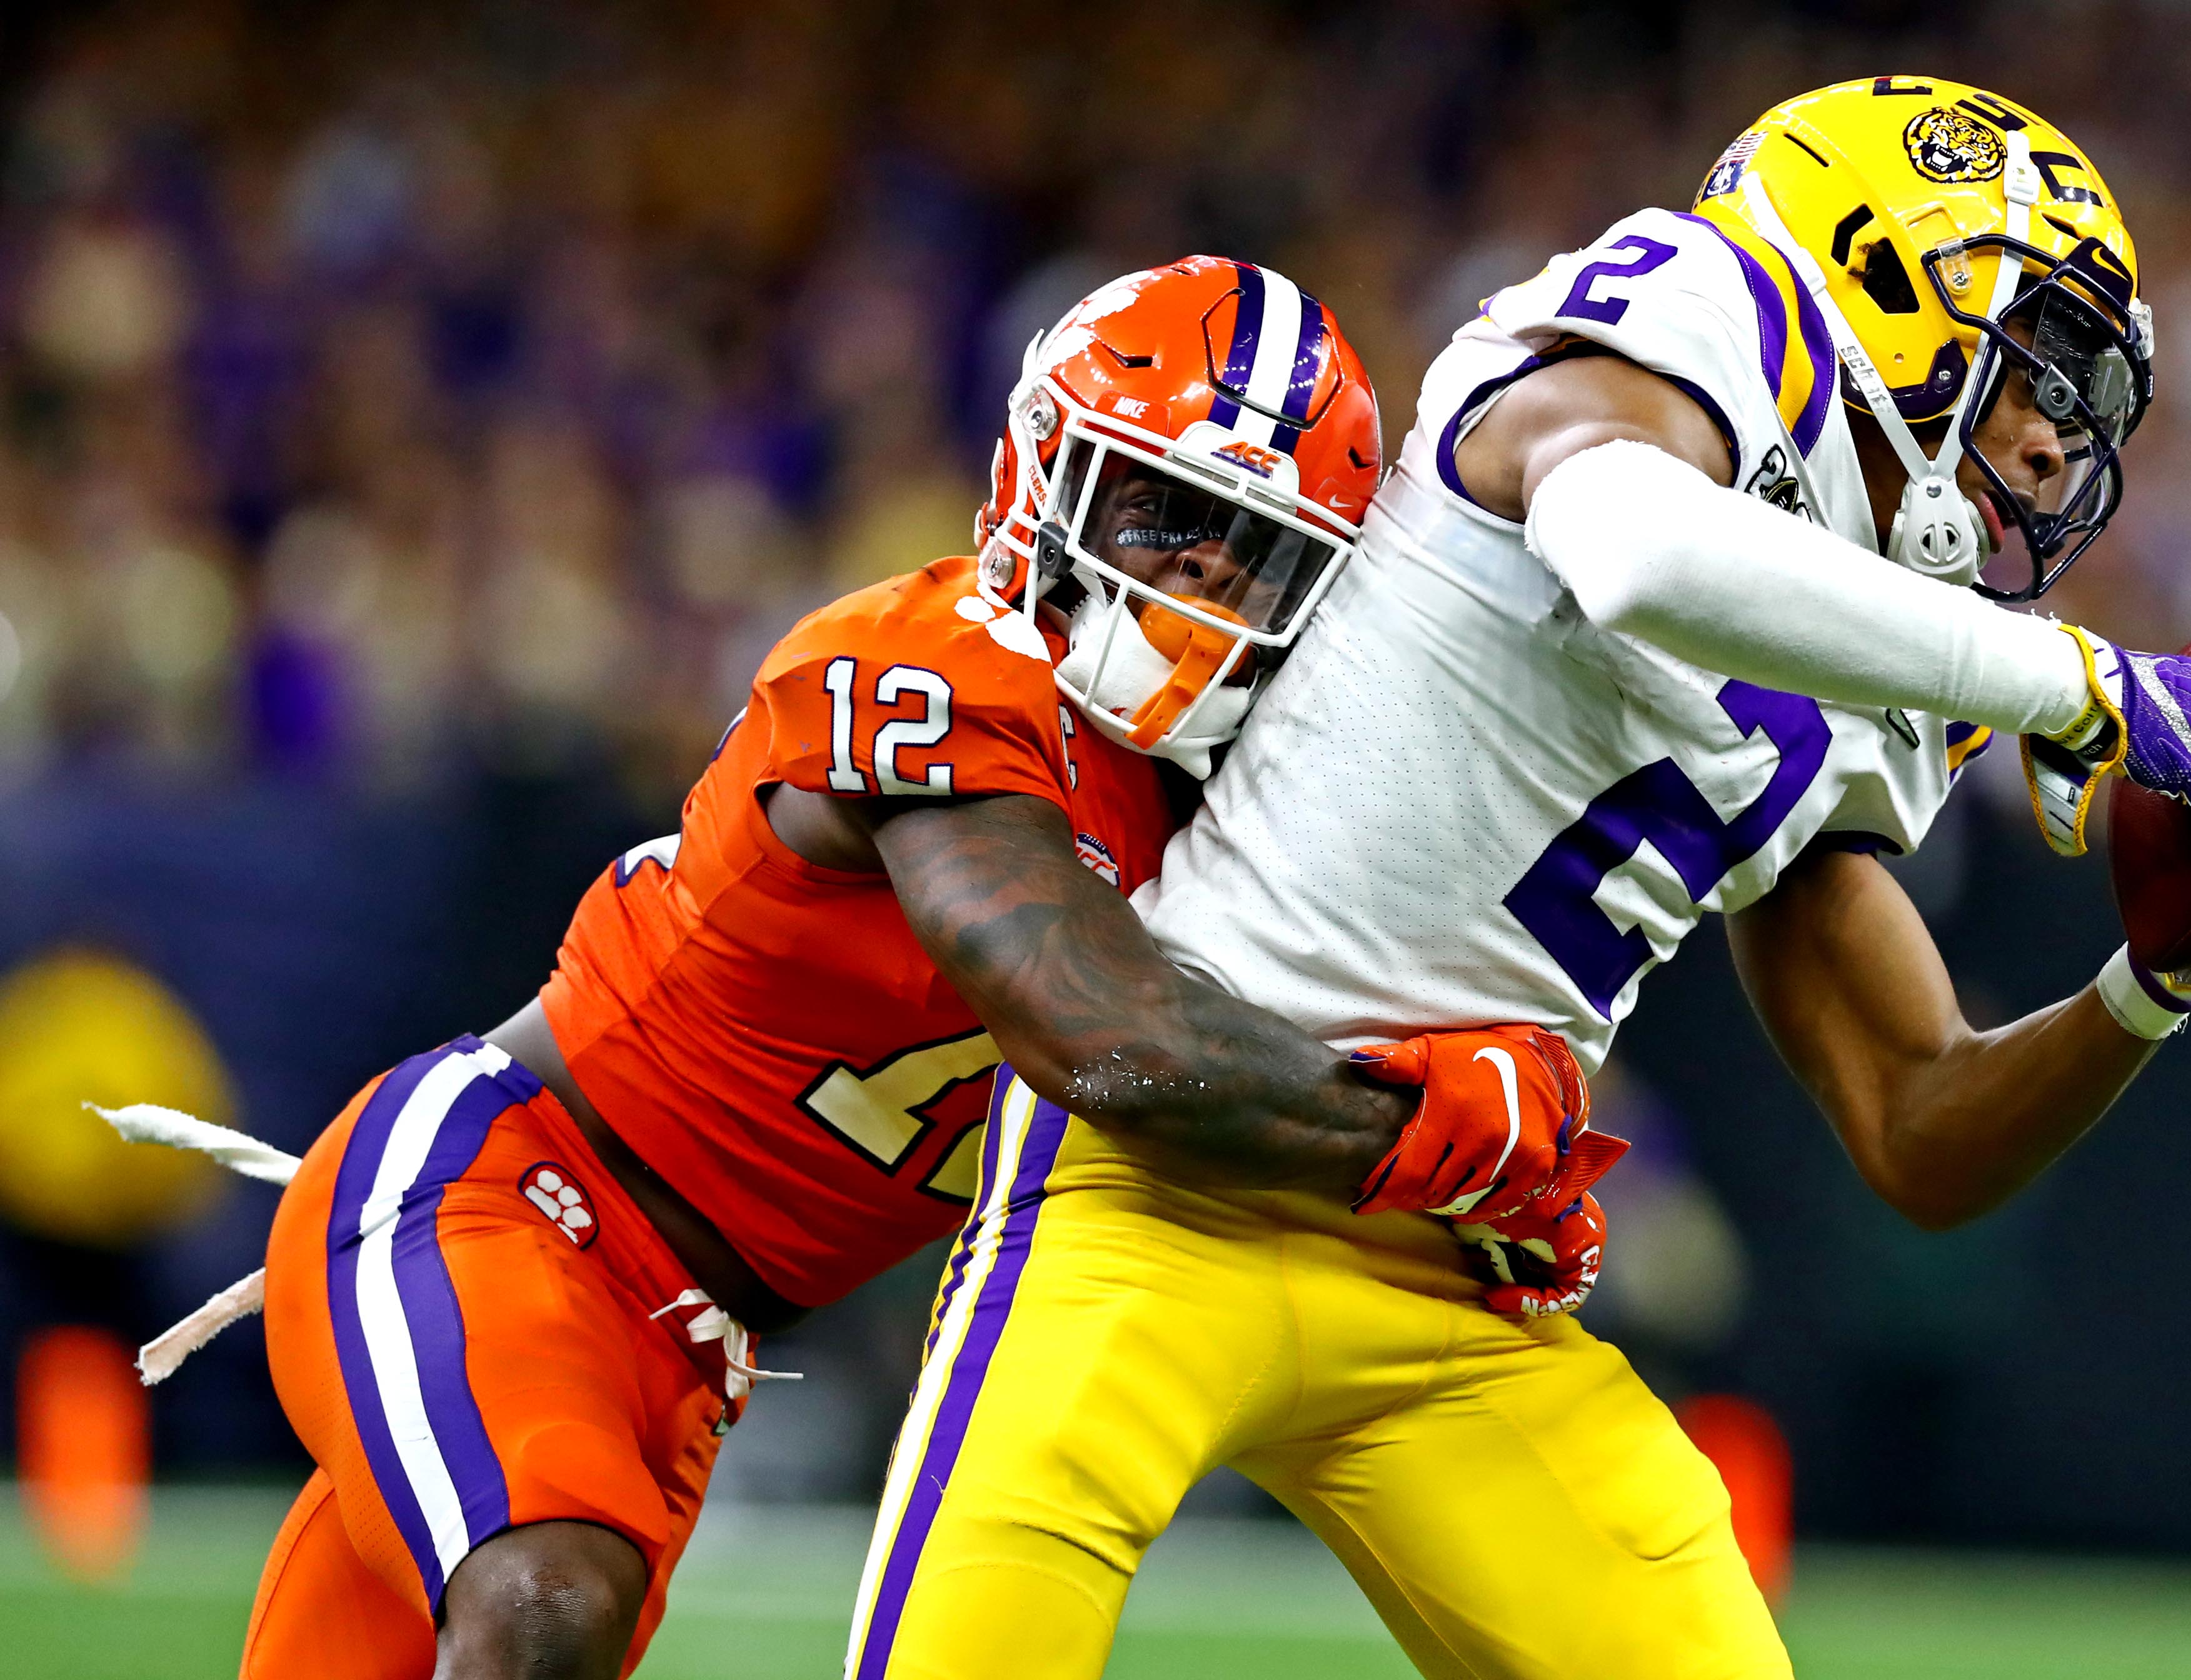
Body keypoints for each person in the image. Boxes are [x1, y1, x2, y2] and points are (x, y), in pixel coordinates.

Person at [846, 78, 2191, 1679]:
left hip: (1454, 1270)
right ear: (1880, 270)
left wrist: (2158, 981)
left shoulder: (1893, 646)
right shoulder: (1710, 312)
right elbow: (1641, 548)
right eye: (2048, 364)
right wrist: (2090, 689)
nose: (2056, 439)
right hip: (1167, 1160)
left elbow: (1918, 1124)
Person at [226, 258, 1604, 1680]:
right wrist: (1428, 1129)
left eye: (1246, 545)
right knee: (545, 1603)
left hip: (690, 1344)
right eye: (1166, 513)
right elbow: (1104, 1034)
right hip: (504, 1200)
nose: (1195, 570)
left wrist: (1494, 1090)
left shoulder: (1242, 811)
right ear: (1043, 471)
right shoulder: (938, 658)